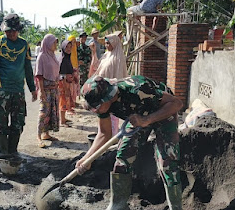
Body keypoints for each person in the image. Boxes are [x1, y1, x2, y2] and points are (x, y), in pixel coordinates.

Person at [77, 75, 183, 210]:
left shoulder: (138, 90)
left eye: (96, 107)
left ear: (108, 97)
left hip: (163, 109)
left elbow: (177, 103)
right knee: (123, 155)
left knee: (167, 160)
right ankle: (118, 205)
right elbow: (104, 133)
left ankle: (176, 207)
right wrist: (87, 159)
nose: (95, 110)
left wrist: (147, 120)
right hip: (138, 116)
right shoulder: (102, 104)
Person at [0, 13, 37, 158]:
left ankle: (13, 151)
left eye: (13, 30)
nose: (11, 33)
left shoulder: (24, 44)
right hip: (1, 91)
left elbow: (28, 68)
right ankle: (3, 153)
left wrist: (32, 88)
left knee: (18, 122)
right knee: (1, 124)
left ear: (18, 30)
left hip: (18, 91)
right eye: (8, 30)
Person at [93, 34, 128, 136]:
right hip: (103, 89)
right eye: (105, 43)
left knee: (112, 113)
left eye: (108, 43)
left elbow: (119, 76)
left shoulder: (118, 58)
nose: (106, 45)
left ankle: (112, 135)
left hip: (112, 91)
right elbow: (97, 67)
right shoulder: (106, 55)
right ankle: (104, 134)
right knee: (103, 113)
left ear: (114, 43)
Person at [35, 34, 60, 148]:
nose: (55, 45)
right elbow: (39, 75)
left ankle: (46, 134)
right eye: (54, 43)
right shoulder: (42, 56)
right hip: (46, 89)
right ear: (48, 43)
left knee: (51, 111)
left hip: (54, 89)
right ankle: (39, 136)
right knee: (43, 112)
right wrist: (41, 91)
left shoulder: (53, 56)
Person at [58, 40, 74, 127]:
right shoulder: (63, 59)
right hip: (63, 83)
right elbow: (62, 75)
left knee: (65, 100)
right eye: (66, 47)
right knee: (63, 100)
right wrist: (65, 87)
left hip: (66, 82)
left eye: (70, 47)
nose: (68, 49)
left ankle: (63, 118)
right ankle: (62, 120)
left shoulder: (67, 57)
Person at [68, 35, 78, 113]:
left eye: (74, 42)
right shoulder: (68, 51)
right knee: (70, 89)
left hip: (75, 70)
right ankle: (69, 106)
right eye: (72, 42)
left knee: (74, 88)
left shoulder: (75, 50)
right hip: (69, 72)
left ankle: (73, 103)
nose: (73, 44)